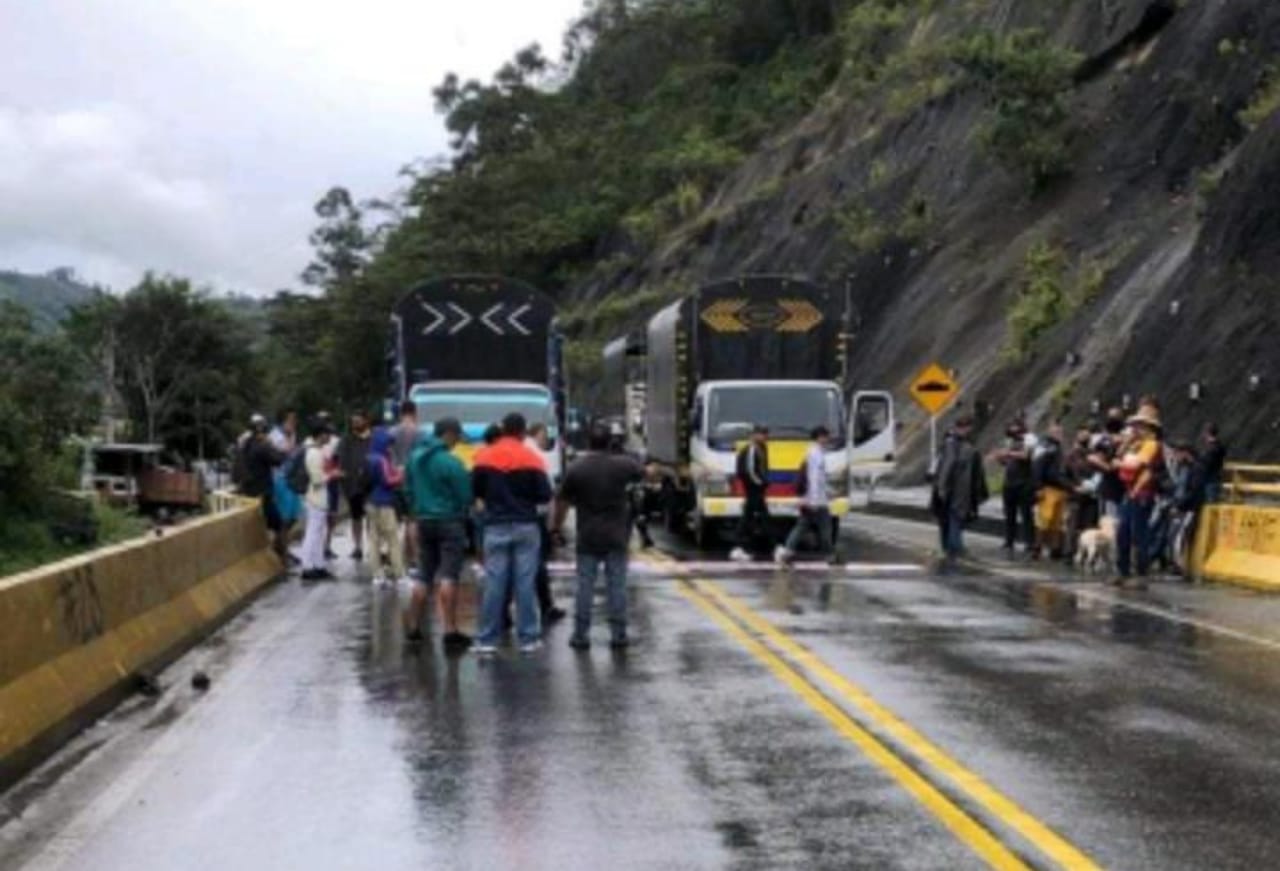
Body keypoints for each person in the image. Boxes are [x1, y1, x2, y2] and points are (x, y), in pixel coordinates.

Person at [554, 424, 645, 650]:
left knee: (585, 586)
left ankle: (581, 635)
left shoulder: (576, 468)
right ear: (609, 442)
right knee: (617, 586)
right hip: (616, 535)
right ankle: (619, 634)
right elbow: (645, 473)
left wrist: (555, 528)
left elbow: (562, 502)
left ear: (588, 442)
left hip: (588, 536)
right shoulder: (623, 465)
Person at [472, 413, 553, 654]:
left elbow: (476, 489)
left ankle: (487, 639)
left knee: (495, 583)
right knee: (524, 583)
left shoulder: (484, 456)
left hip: (495, 525)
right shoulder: (532, 458)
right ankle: (528, 638)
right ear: (522, 432)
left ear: (503, 429)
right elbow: (545, 495)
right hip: (526, 525)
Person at [404, 418, 474, 649]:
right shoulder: (451, 463)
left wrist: (416, 510)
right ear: (449, 435)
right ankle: (450, 630)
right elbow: (465, 496)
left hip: (423, 521)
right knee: (448, 576)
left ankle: (413, 627)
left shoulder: (414, 459)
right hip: (449, 522)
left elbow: (407, 490)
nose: (457, 443)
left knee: (423, 575)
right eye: (456, 437)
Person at [1113, 402, 1164, 586]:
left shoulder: (1152, 445)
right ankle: (1123, 571)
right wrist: (1127, 443)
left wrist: (1121, 463)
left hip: (1143, 493)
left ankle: (1141, 574)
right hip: (1130, 492)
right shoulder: (1136, 444)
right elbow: (1117, 457)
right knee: (1123, 532)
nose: (1135, 428)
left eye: (1139, 425)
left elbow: (1134, 465)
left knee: (1139, 534)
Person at [522, 421, 566, 624]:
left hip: (504, 517)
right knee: (538, 564)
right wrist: (552, 527)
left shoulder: (505, 453)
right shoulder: (536, 457)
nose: (546, 440)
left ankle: (502, 614)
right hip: (533, 518)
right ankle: (545, 607)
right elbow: (547, 495)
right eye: (544, 435)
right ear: (536, 434)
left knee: (505, 568)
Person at [776, 426, 838, 566]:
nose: (828, 439)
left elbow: (820, 478)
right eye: (826, 436)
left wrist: (829, 491)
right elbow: (814, 478)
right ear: (819, 437)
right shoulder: (815, 454)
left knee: (802, 525)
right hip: (816, 500)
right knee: (825, 527)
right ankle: (829, 555)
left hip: (812, 498)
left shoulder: (814, 452)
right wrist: (814, 500)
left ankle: (787, 552)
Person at [932, 415, 988, 563]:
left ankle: (951, 549)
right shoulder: (960, 445)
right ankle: (954, 549)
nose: (966, 430)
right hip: (957, 490)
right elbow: (948, 467)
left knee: (950, 519)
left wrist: (941, 487)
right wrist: (942, 487)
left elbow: (946, 467)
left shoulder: (955, 444)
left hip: (956, 490)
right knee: (953, 519)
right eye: (965, 427)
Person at [240, 415, 287, 560]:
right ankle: (280, 555)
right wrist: (272, 445)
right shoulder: (262, 446)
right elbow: (278, 460)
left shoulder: (246, 444)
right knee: (279, 524)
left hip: (248, 493)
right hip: (263, 493)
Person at [364, 426, 406, 587]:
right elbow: (388, 481)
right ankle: (399, 574)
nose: (389, 447)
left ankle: (377, 575)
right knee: (393, 540)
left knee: (374, 540)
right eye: (388, 443)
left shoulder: (369, 457)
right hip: (385, 503)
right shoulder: (381, 459)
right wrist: (400, 475)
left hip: (370, 502)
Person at [300, 420, 338, 581]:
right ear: (321, 435)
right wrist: (332, 475)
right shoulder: (314, 454)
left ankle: (318, 565)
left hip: (318, 499)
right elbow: (317, 480)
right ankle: (307, 566)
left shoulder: (316, 451)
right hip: (316, 498)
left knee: (318, 533)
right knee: (312, 534)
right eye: (327, 433)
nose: (329, 436)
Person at [730, 424, 772, 562]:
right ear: (754, 435)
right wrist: (760, 483)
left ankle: (775, 546)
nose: (765, 437)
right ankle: (737, 547)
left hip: (758, 488)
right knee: (753, 517)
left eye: (766, 434)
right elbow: (749, 471)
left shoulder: (762, 448)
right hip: (753, 488)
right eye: (762, 434)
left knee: (754, 517)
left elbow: (763, 467)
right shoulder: (751, 450)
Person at [993, 417, 1035, 554]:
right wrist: (1000, 458)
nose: (1011, 430)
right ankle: (1009, 541)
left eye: (1013, 427)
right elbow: (1008, 462)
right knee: (1009, 514)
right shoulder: (1010, 441)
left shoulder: (1029, 438)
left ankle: (1029, 543)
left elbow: (1026, 456)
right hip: (1009, 482)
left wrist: (1009, 453)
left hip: (1024, 483)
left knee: (1026, 514)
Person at [1031, 422, 1070, 560]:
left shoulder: (1059, 448)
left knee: (1057, 522)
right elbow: (1036, 467)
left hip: (1061, 488)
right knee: (1044, 520)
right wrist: (1038, 487)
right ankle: (1037, 548)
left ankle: (1055, 549)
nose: (1058, 435)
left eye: (1060, 432)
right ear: (1049, 433)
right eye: (1055, 432)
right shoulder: (1045, 447)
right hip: (1048, 488)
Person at [338, 411, 373, 560]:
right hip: (353, 485)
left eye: (359, 421)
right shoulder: (346, 439)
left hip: (370, 484)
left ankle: (373, 545)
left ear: (366, 421)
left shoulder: (372, 438)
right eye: (353, 421)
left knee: (372, 517)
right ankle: (357, 546)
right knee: (356, 517)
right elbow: (340, 459)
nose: (356, 424)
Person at [391, 400, 420, 572]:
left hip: (393, 479)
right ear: (414, 413)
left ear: (401, 413)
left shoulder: (391, 432)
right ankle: (414, 559)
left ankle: (396, 559)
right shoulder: (420, 432)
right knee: (412, 521)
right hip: (413, 480)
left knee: (394, 523)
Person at [1064, 425, 1100, 560]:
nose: (1085, 437)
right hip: (1075, 496)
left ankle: (1086, 554)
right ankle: (1069, 553)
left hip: (1091, 497)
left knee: (1089, 527)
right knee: (1073, 526)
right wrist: (1073, 487)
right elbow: (1063, 476)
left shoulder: (1094, 455)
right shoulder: (1071, 456)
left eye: (1087, 434)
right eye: (1082, 434)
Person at [1200, 422, 1227, 503]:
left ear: (1207, 433)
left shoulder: (1212, 448)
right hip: (1215, 477)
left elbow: (1207, 463)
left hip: (1210, 479)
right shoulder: (1219, 446)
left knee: (1210, 503)